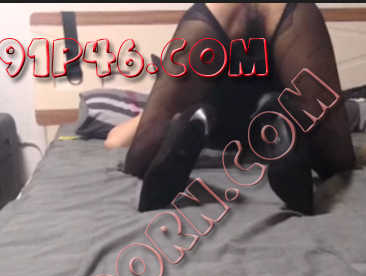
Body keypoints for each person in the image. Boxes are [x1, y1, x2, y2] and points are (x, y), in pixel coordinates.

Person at [105, 3, 356, 215]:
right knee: (339, 162)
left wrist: (163, 118)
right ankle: (284, 120)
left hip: (219, 11)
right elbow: (348, 113)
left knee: (138, 163)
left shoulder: (195, 84)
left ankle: (188, 122)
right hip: (283, 10)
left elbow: (114, 141)